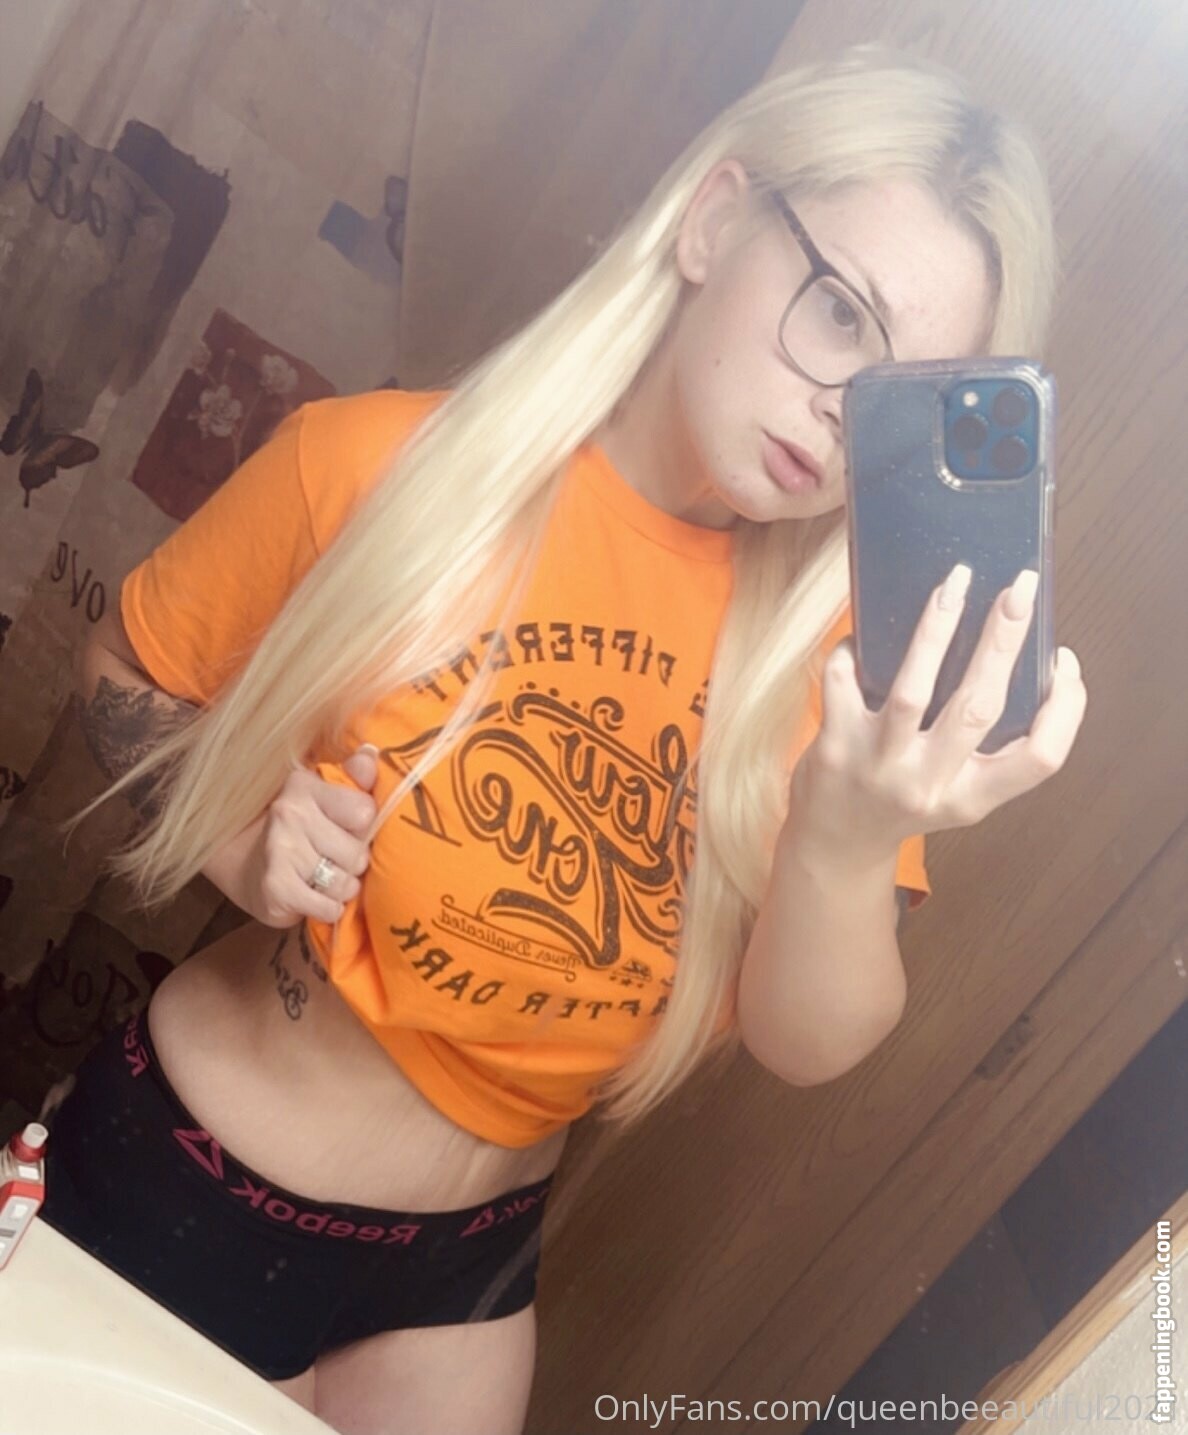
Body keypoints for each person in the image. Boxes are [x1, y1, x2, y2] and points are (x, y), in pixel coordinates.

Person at [43, 41, 1086, 1435]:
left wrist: (846, 836)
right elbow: (123, 671)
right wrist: (239, 838)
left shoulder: (838, 671)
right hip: (196, 1188)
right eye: (842, 313)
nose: (845, 415)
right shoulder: (379, 468)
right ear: (715, 221)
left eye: (908, 395)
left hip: (467, 1273)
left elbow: (807, 1043)